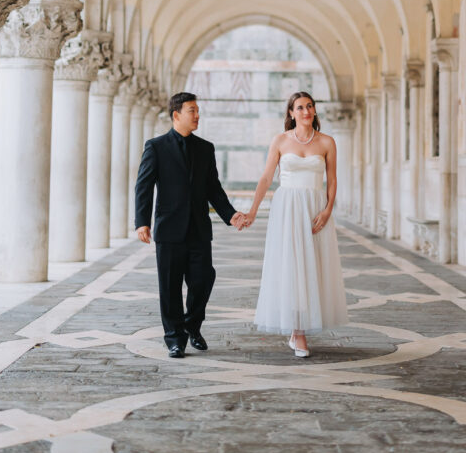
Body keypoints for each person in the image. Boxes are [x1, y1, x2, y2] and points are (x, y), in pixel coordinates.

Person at [135, 91, 246, 357]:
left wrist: (230, 214)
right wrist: (142, 221)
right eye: (192, 111)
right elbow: (144, 186)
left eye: (197, 110)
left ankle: (192, 326)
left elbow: (213, 188)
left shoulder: (205, 148)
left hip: (198, 229)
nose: (197, 115)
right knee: (170, 287)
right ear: (176, 115)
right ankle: (174, 338)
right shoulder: (156, 146)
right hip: (169, 228)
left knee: (203, 278)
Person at [244, 90, 348, 357]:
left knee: (311, 266)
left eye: (310, 106)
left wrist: (327, 211)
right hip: (287, 209)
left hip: (314, 209)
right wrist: (253, 211)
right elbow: (267, 178)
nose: (306, 111)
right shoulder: (280, 141)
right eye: (300, 107)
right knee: (291, 266)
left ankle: (298, 329)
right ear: (291, 113)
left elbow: (333, 180)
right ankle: (298, 332)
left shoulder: (327, 142)